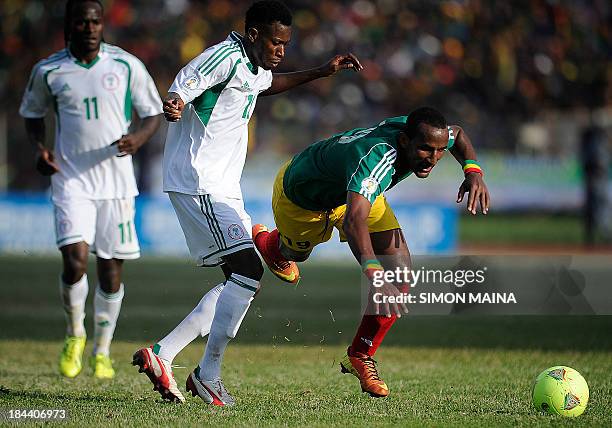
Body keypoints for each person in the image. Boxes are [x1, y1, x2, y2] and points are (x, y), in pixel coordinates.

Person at [132, 0, 362, 406]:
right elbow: (186, 80)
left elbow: (267, 84)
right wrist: (174, 102)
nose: (280, 51)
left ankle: (164, 354)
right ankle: (208, 374)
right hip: (198, 180)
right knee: (249, 269)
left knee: (238, 282)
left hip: (222, 186)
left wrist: (320, 72)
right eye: (275, 42)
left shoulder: (255, 66)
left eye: (285, 44)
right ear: (254, 34)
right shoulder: (224, 56)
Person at [253, 107, 490, 397]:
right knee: (295, 253)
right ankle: (271, 246)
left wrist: (473, 171)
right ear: (404, 141)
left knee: (401, 273)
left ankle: (360, 355)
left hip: (357, 194)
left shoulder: (427, 134)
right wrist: (374, 274)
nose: (434, 158)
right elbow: (355, 222)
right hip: (303, 197)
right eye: (426, 149)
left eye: (440, 150)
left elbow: (459, 134)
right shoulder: (379, 157)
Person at [19, 0, 162, 379]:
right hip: (71, 179)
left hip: (115, 183)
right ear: (68, 27)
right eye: (81, 22)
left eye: (95, 21)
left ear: (103, 25)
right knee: (75, 260)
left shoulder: (126, 65)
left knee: (111, 272)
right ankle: (75, 334)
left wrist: (137, 139)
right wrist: (40, 149)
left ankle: (102, 350)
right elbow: (32, 114)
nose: (89, 28)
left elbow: (153, 113)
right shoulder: (49, 70)